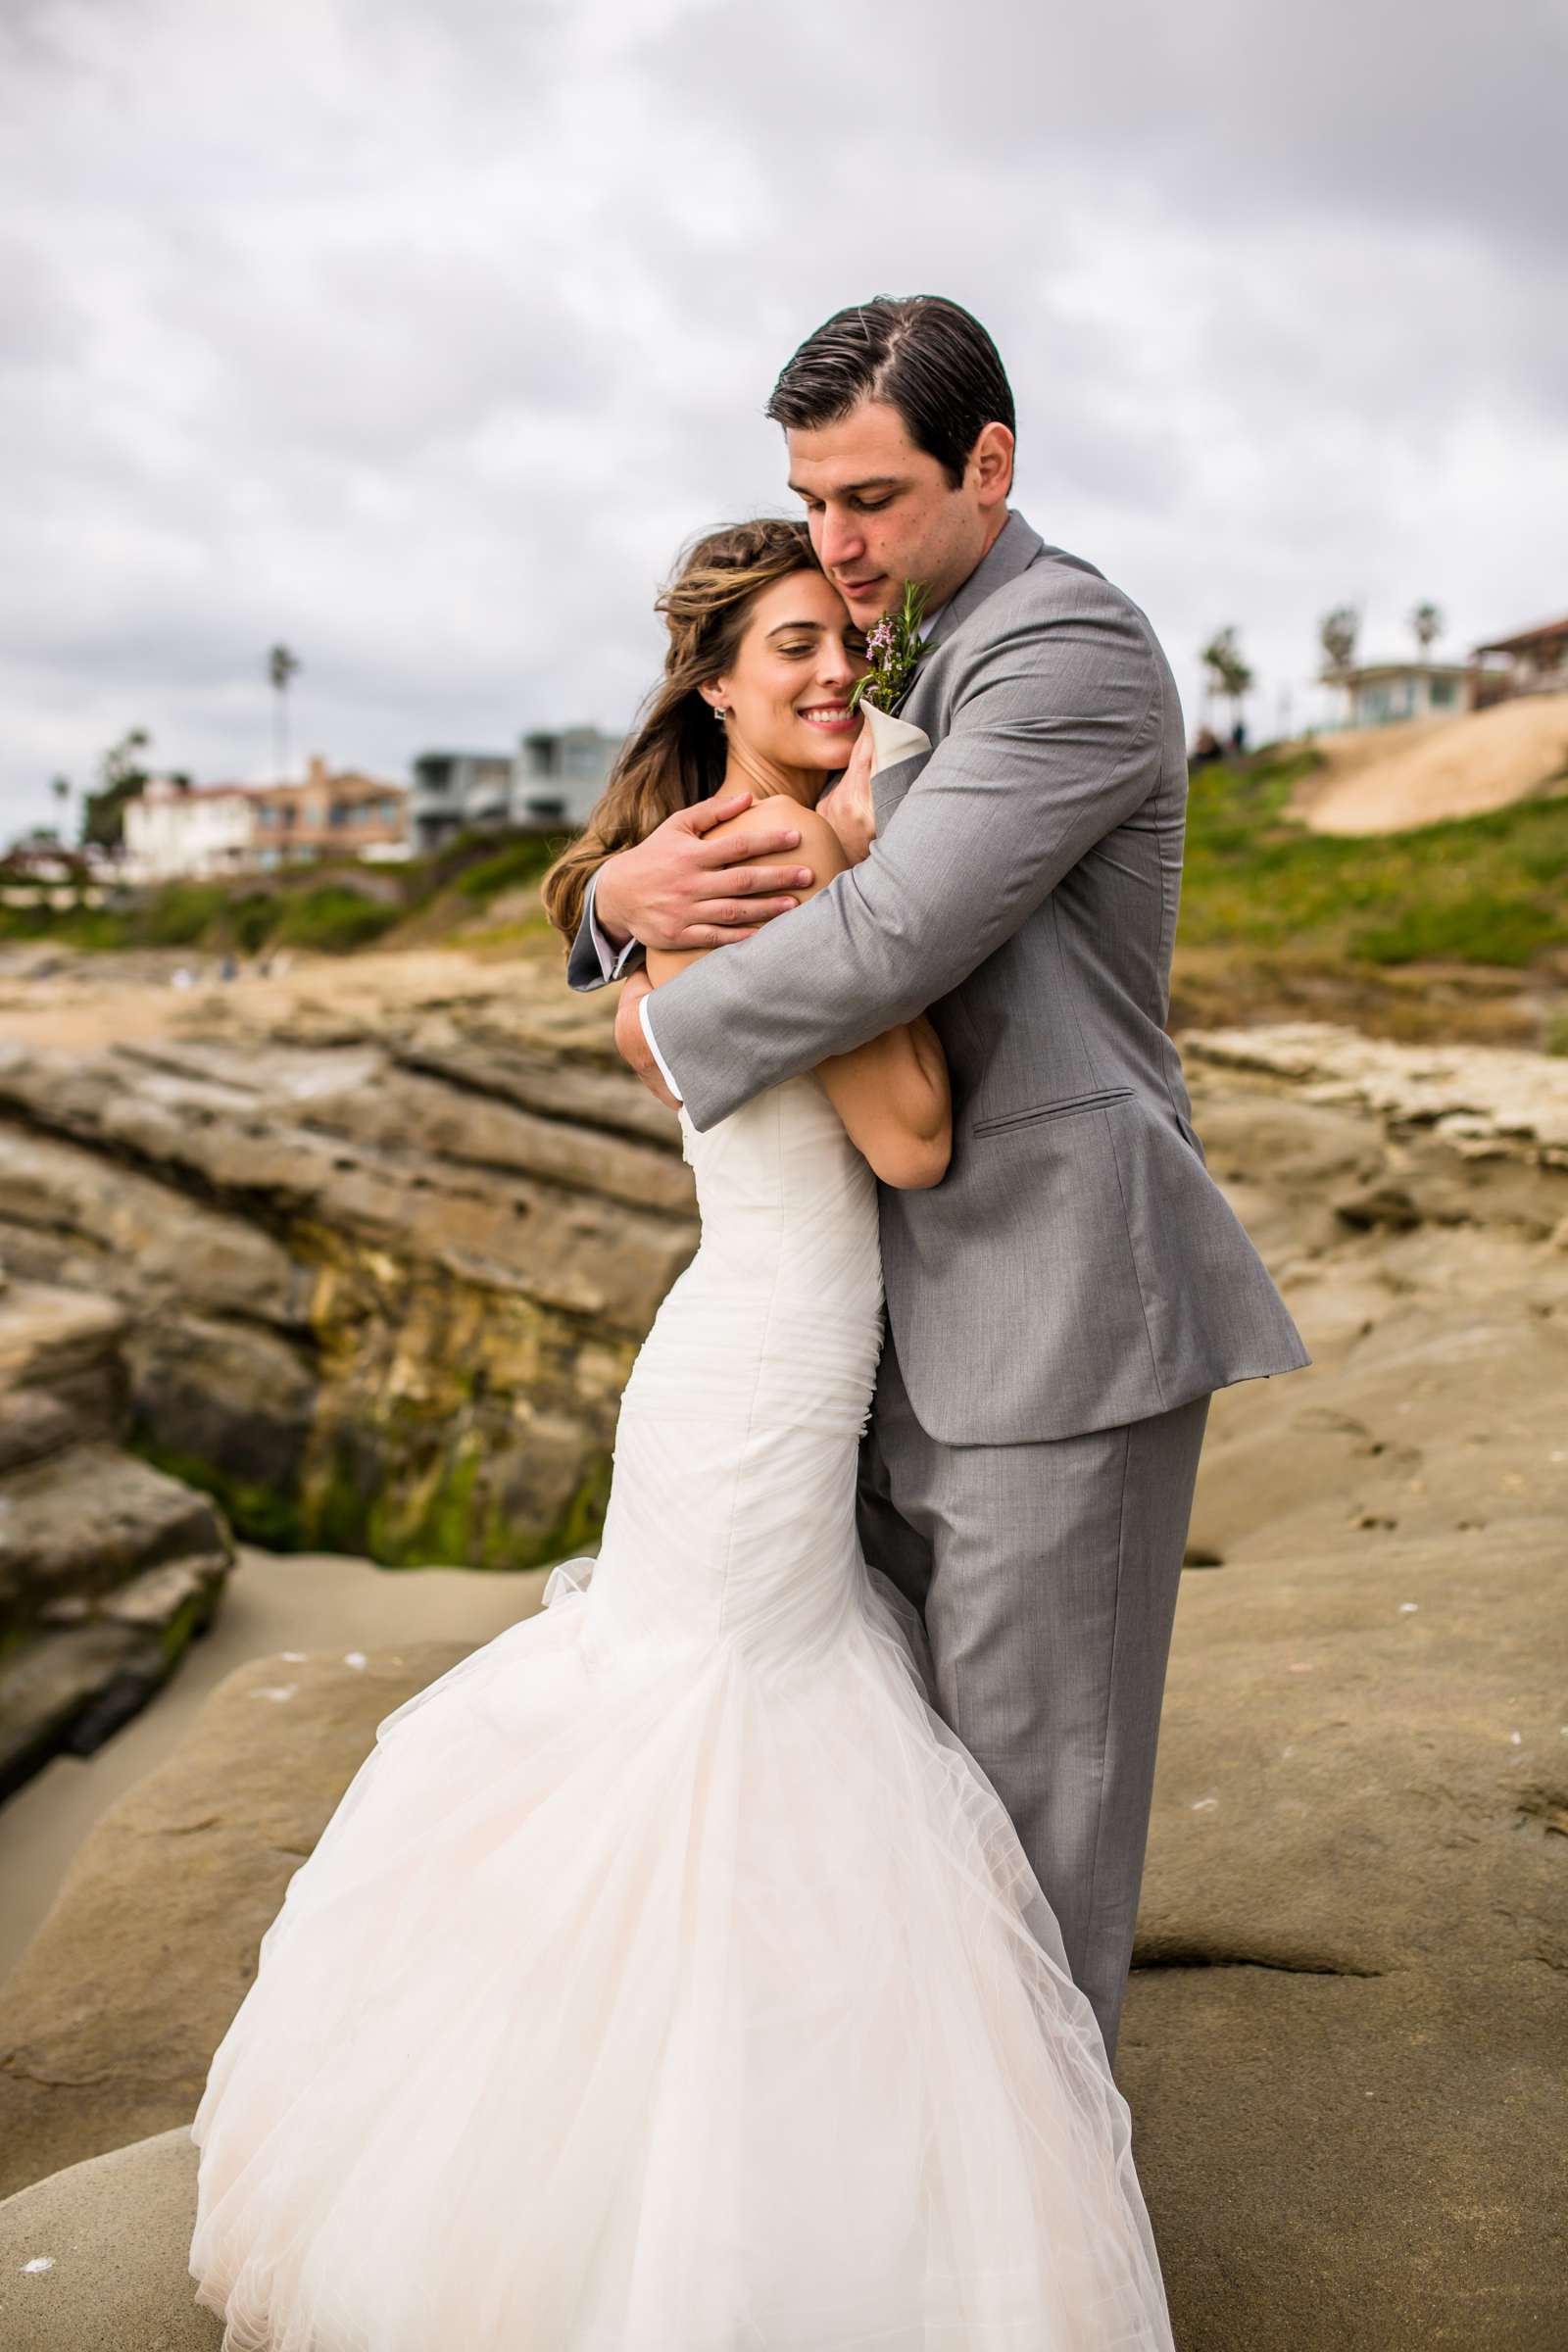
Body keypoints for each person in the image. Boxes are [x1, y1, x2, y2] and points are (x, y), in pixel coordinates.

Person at [186, 517, 1181, 2348]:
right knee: (737, 1728)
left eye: (843, 648)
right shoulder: (782, 855)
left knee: (733, 1719)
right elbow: (908, 1135)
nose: (830, 676)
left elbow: (649, 998)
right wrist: (856, 869)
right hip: (767, 1363)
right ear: (715, 683)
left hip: (754, 1353)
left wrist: (648, 917)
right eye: (788, 647)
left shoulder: (699, 854)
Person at [568, 295, 1310, 2063]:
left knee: (1035, 1824)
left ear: (990, 466)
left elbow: (891, 929)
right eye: (812, 503)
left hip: (1056, 1307)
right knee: (919, 1806)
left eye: (872, 501)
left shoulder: (1066, 654)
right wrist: (610, 912)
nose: (837, 546)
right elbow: (743, 842)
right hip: (897, 1331)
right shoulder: (920, 655)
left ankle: (1037, 2255)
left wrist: (660, 1033)